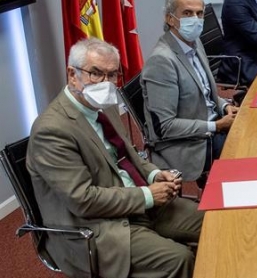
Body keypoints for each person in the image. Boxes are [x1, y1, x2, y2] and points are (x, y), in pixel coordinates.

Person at [27, 38, 203, 278]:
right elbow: (83, 200)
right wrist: (147, 195)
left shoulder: (103, 105)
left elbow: (128, 154)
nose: (106, 83)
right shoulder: (52, 131)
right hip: (98, 227)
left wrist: (153, 173)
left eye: (112, 75)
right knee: (179, 260)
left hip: (138, 204)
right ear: (72, 74)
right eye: (96, 74)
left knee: (211, 223)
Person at [141, 0, 238, 184]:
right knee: (247, 148)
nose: (195, 19)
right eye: (187, 13)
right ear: (170, 19)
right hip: (188, 145)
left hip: (210, 124)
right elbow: (165, 127)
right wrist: (216, 125)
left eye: (199, 13)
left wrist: (224, 106)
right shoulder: (162, 61)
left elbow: (205, 93)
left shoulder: (194, 43)